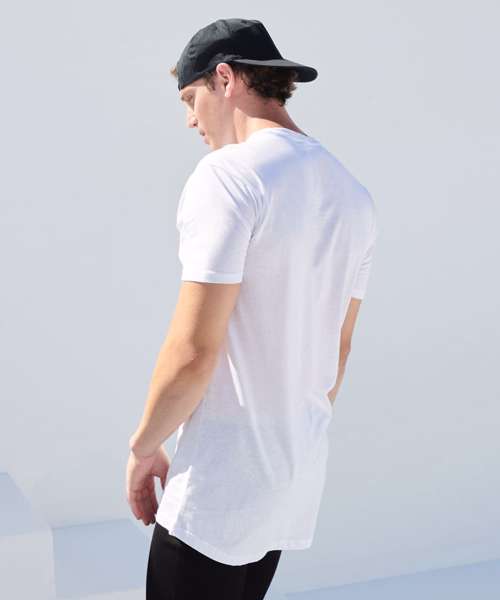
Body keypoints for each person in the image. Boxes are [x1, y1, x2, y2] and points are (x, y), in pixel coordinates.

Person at [125, 17, 379, 600]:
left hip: (214, 497)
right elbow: (336, 355)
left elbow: (193, 351)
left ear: (224, 79)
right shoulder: (353, 195)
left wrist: (142, 448)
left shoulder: (229, 177)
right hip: (287, 492)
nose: (190, 121)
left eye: (190, 100)